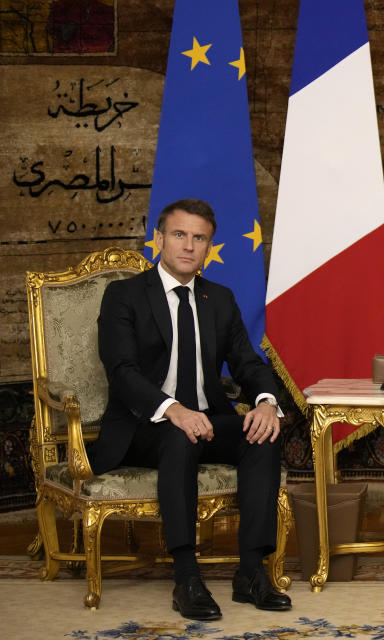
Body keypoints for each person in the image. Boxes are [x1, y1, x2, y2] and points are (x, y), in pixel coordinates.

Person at [88, 198, 292, 621]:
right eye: (179, 235)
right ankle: (186, 578)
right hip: (143, 428)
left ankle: (251, 573)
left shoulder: (219, 298)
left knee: (262, 434)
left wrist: (266, 403)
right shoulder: (124, 295)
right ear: (159, 239)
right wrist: (173, 409)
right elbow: (122, 371)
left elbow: (247, 361)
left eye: (199, 238)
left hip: (206, 419)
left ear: (208, 246)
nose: (188, 246)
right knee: (179, 436)